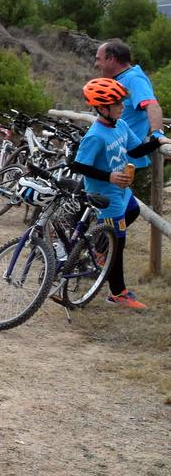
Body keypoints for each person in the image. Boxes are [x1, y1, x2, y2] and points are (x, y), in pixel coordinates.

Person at [67, 78, 170, 309]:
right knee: (119, 243)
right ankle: (118, 293)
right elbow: (78, 166)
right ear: (103, 109)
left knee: (133, 210)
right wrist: (109, 177)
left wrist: (157, 141)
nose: (123, 107)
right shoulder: (95, 135)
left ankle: (101, 248)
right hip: (106, 195)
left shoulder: (120, 125)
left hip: (121, 192)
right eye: (117, 104)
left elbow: (134, 149)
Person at [95, 39, 164, 171]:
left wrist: (158, 134)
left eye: (99, 59)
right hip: (111, 156)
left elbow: (152, 105)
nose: (96, 63)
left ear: (111, 59)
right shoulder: (118, 79)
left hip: (126, 162)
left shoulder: (134, 79)